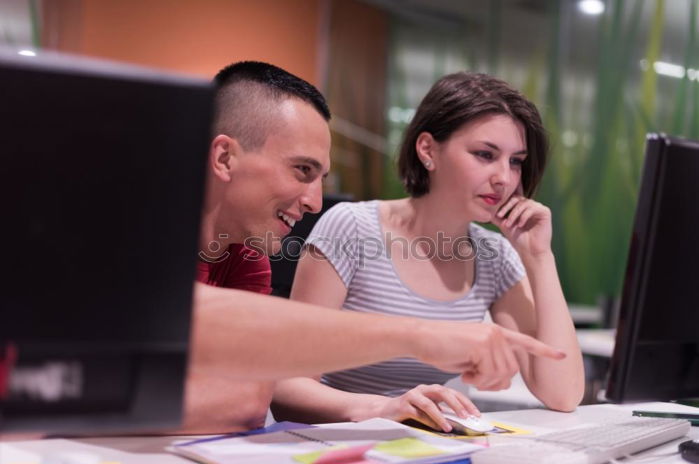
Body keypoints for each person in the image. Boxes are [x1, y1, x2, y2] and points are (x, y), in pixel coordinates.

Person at [183, 63, 568, 434]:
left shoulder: (247, 257)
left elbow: (250, 397)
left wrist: (538, 256)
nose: (504, 178)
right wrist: (411, 353)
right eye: (485, 154)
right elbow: (261, 388)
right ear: (427, 150)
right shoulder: (351, 227)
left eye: (516, 161)